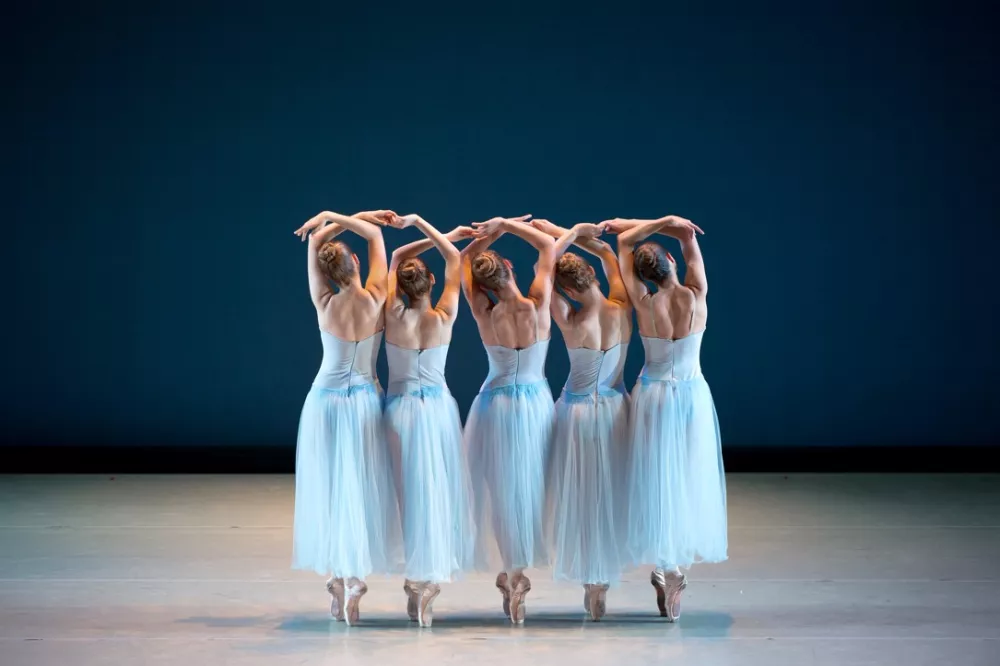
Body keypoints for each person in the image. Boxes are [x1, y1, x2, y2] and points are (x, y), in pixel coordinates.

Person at [608, 214, 726, 623]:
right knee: (685, 475)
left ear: (643, 276)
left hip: (654, 396)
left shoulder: (644, 301)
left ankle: (666, 564)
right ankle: (672, 568)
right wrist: (669, 221)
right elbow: (686, 234)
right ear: (672, 263)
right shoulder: (697, 294)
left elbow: (623, 244)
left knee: (658, 477)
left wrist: (635, 224)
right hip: (691, 394)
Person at [290, 210, 403, 626]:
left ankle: (338, 580)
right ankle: (352, 578)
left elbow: (316, 243)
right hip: (364, 400)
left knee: (334, 487)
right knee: (359, 485)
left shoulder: (324, 300)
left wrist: (328, 221)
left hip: (325, 400)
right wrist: (355, 217)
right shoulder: (377, 295)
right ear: (355, 264)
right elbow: (374, 235)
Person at [529, 218, 632, 621]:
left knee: (583, 498)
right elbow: (608, 253)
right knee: (607, 494)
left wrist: (560, 236)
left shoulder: (571, 319)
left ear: (568, 289)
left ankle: (593, 584)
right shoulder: (623, 307)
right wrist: (574, 232)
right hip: (614, 411)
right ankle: (602, 579)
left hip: (578, 415)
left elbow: (543, 276)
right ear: (592, 278)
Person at [459, 214, 558, 625]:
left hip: (495, 405)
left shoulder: (483, 309)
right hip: (535, 403)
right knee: (531, 486)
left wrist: (490, 233)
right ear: (512, 270)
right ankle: (517, 572)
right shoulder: (537, 304)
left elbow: (462, 260)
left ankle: (513, 571)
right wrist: (508, 225)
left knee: (501, 491)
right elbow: (549, 249)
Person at [381, 214, 478, 627]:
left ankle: (414, 580)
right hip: (436, 411)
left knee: (406, 494)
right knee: (432, 493)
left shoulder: (392, 313)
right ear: (432, 284)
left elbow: (399, 253)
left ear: (400, 286)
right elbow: (454, 260)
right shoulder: (444, 315)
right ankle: (424, 583)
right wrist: (442, 234)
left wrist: (416, 226)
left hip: (400, 411)